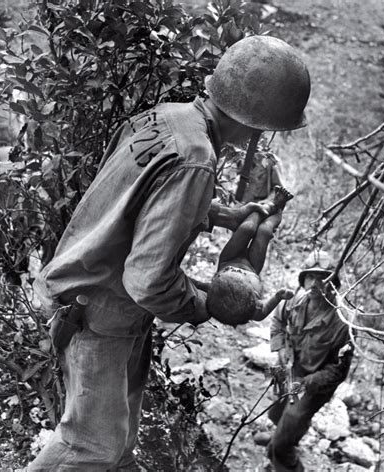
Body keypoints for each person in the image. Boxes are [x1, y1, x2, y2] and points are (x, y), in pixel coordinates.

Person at [27, 35, 310, 471]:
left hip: (99, 301)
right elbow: (146, 279)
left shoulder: (166, 118)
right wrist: (205, 304)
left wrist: (220, 215)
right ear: (258, 123)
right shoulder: (196, 159)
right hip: (101, 313)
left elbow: (134, 200)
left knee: (119, 445)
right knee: (89, 447)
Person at [256, 250, 353, 472]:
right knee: (275, 411)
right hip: (286, 365)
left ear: (333, 284)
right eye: (310, 277)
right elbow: (278, 322)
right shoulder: (293, 300)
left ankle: (285, 457)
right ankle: (278, 436)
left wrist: (306, 383)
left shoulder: (341, 323)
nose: (316, 284)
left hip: (313, 381)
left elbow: (338, 372)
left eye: (323, 278)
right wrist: (281, 347)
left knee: (288, 428)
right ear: (304, 280)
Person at [206, 185, 294, 327]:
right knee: (264, 231)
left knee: (247, 228)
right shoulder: (251, 310)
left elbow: (199, 286)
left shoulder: (214, 300)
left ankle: (271, 205)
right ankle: (279, 207)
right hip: (252, 267)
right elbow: (263, 311)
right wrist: (278, 297)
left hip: (229, 260)